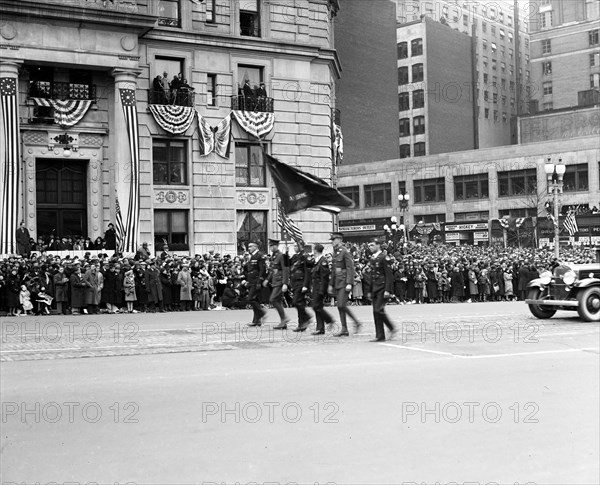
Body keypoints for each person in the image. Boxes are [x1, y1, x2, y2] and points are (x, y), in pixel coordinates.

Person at [328, 232, 361, 337]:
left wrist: (349, 283)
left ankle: (355, 322)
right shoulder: (336, 253)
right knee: (340, 306)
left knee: (341, 305)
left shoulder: (345, 252)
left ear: (339, 240)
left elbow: (350, 268)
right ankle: (345, 329)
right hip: (338, 282)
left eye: (333, 240)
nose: (332, 242)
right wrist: (331, 284)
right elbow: (334, 270)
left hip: (344, 282)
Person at [366, 238, 397, 342]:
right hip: (375, 287)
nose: (370, 247)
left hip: (382, 287)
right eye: (369, 245)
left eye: (372, 245)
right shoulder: (373, 258)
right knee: (376, 312)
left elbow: (389, 275)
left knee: (378, 310)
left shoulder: (384, 257)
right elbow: (371, 275)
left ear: (378, 245)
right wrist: (369, 290)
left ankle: (391, 328)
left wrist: (388, 289)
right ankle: (380, 335)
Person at [264, 238, 290, 329]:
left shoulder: (281, 256)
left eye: (272, 245)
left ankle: (285, 318)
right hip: (275, 281)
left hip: (280, 281)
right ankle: (283, 322)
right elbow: (272, 270)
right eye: (270, 246)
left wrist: (285, 283)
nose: (270, 247)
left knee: (273, 299)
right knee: (278, 301)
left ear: (276, 246)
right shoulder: (274, 256)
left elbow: (286, 269)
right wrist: (267, 279)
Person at [310, 243, 334, 335]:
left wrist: (322, 290)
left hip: (320, 287)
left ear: (316, 250)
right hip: (316, 286)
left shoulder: (323, 261)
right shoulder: (317, 260)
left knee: (316, 306)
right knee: (317, 307)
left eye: (313, 249)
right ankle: (320, 328)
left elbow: (324, 277)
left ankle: (329, 320)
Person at [289, 242, 313, 332]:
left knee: (295, 302)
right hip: (295, 282)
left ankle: (307, 317)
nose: (295, 247)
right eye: (294, 246)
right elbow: (287, 264)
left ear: (301, 247)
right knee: (300, 303)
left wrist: (305, 285)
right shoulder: (295, 257)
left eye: (296, 245)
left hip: (301, 282)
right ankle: (301, 324)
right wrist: (286, 253)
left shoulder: (305, 256)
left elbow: (308, 270)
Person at [245, 241, 267, 326]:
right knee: (255, 300)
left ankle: (262, 313)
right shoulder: (252, 256)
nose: (249, 248)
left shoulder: (260, 256)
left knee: (250, 299)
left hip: (256, 281)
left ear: (255, 247)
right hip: (251, 281)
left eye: (250, 246)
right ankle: (256, 321)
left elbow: (262, 269)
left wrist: (259, 281)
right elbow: (250, 270)